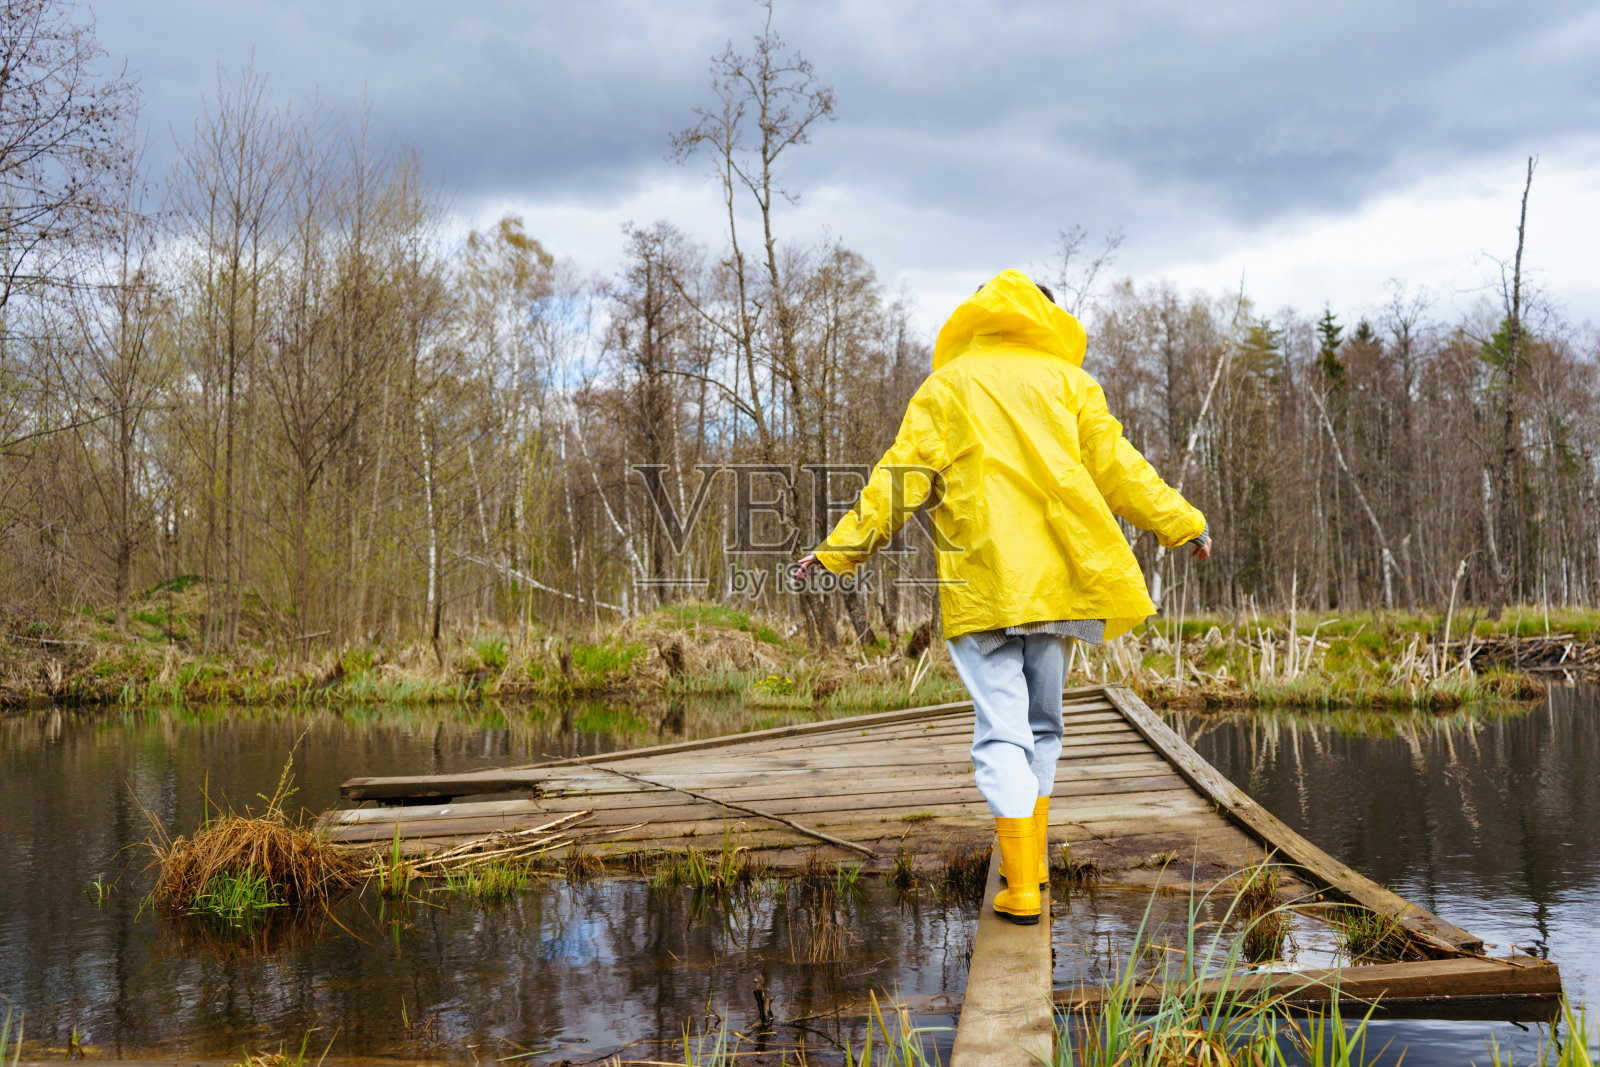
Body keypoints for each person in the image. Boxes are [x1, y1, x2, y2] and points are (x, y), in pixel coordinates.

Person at [794, 268, 1210, 925]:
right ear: (1046, 321)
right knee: (1044, 726)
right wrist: (1184, 521)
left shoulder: (948, 387)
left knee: (1001, 732)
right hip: (1058, 586)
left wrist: (838, 549)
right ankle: (1032, 865)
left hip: (982, 586)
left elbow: (897, 482)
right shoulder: (1072, 385)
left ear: (981, 317)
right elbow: (1122, 470)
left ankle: (1019, 885)